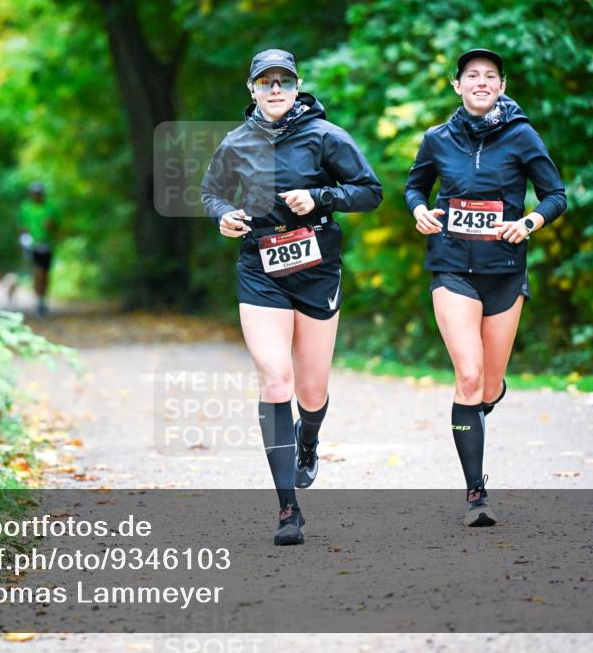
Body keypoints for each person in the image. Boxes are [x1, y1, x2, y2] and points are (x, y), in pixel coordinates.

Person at [202, 49, 382, 545]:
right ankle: (288, 510)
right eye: (266, 81)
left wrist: (321, 197)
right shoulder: (236, 142)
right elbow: (211, 192)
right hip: (260, 267)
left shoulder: (326, 136)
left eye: (283, 80)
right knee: (275, 382)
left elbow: (370, 191)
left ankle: (309, 440)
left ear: (298, 84)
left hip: (317, 269)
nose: (275, 88)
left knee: (311, 391)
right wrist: (223, 214)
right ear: (252, 89)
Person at [404, 49, 567, 526]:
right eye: (471, 75)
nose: (480, 82)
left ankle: (479, 408)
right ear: (457, 85)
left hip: (505, 273)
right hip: (452, 267)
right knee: (469, 378)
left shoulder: (522, 135)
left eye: (489, 76)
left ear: (501, 84)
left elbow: (555, 194)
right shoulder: (437, 138)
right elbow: (416, 187)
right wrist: (419, 210)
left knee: (489, 385)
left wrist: (531, 221)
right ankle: (477, 494)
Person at [18, 182, 59, 316]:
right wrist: (24, 239)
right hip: (33, 244)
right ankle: (38, 300)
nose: (37, 196)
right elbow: (22, 226)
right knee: (38, 272)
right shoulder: (26, 207)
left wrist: (51, 226)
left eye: (39, 193)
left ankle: (43, 299)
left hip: (47, 244)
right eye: (35, 194)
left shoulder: (50, 207)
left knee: (45, 273)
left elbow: (56, 226)